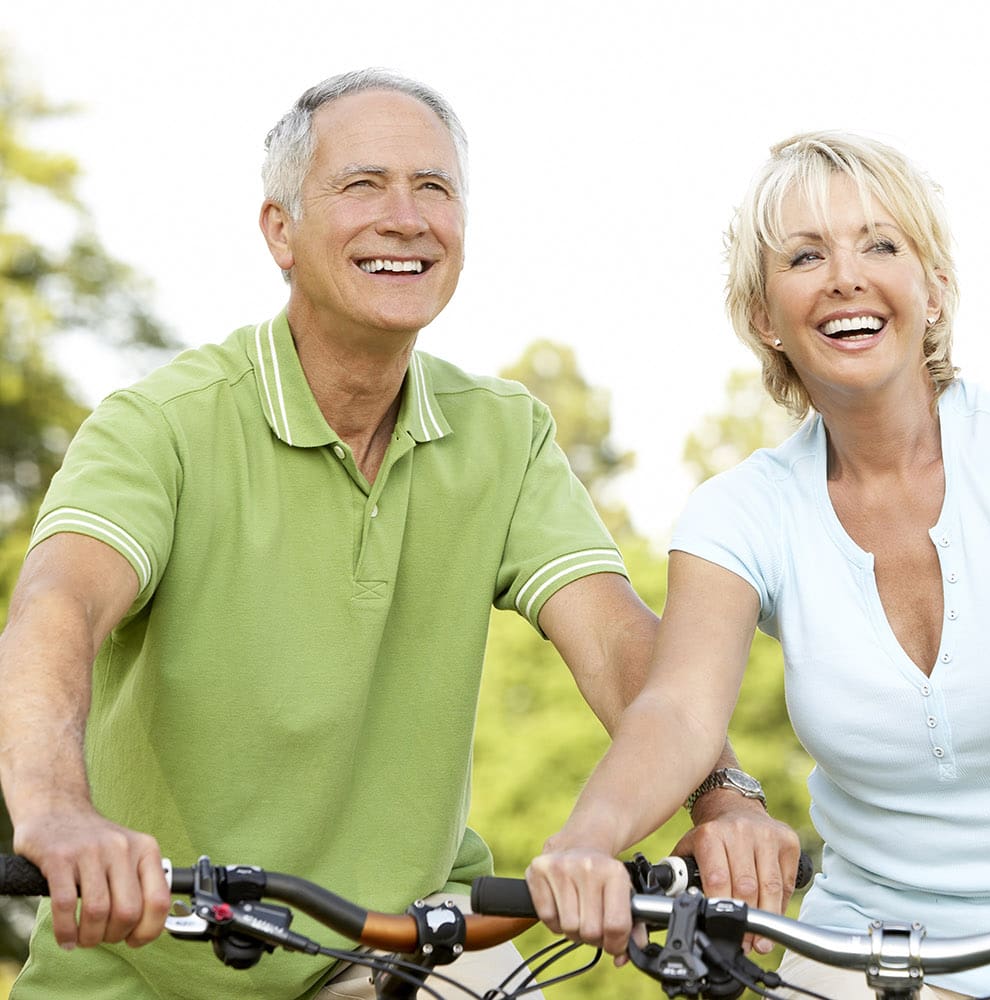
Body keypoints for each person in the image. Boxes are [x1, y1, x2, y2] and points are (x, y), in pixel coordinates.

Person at [0, 69, 793, 1000]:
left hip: (399, 947)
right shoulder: (162, 424)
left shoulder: (505, 433)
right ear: (280, 231)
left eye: (436, 189)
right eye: (363, 184)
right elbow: (58, 607)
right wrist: (57, 814)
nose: (407, 217)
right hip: (150, 959)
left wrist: (724, 798)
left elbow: (620, 640)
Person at [523, 131, 990, 999]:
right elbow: (677, 711)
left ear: (935, 290)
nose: (846, 276)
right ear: (765, 317)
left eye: (880, 245)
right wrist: (583, 843)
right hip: (865, 955)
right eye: (806, 255)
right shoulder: (738, 512)